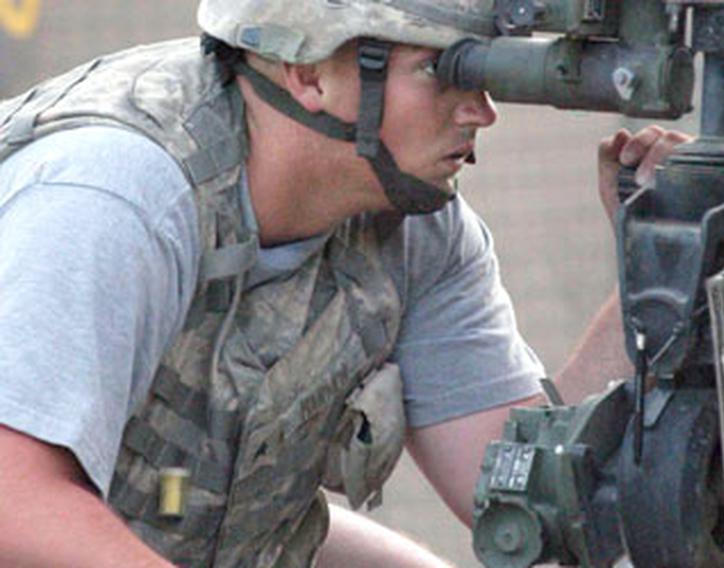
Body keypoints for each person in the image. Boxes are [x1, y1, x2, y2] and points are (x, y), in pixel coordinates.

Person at [0, 0, 689, 566]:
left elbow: (525, 495)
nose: (482, 112)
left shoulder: (418, 226)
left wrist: (655, 276)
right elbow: (14, 500)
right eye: (442, 72)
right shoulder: (120, 195)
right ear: (309, 72)